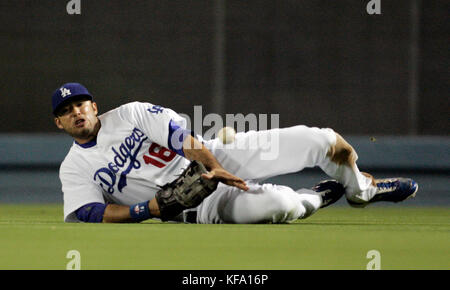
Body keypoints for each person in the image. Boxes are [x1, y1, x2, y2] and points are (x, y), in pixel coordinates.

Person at [52, 83, 418, 223]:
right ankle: (316, 198)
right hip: (194, 206)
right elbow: (89, 212)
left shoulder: (130, 113)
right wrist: (149, 209)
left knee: (324, 140)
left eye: (81, 105)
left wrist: (213, 164)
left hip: (212, 158)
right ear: (60, 124)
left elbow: (182, 138)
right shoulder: (75, 167)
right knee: (283, 207)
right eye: (67, 111)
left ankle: (361, 191)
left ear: (94, 106)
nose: (76, 112)